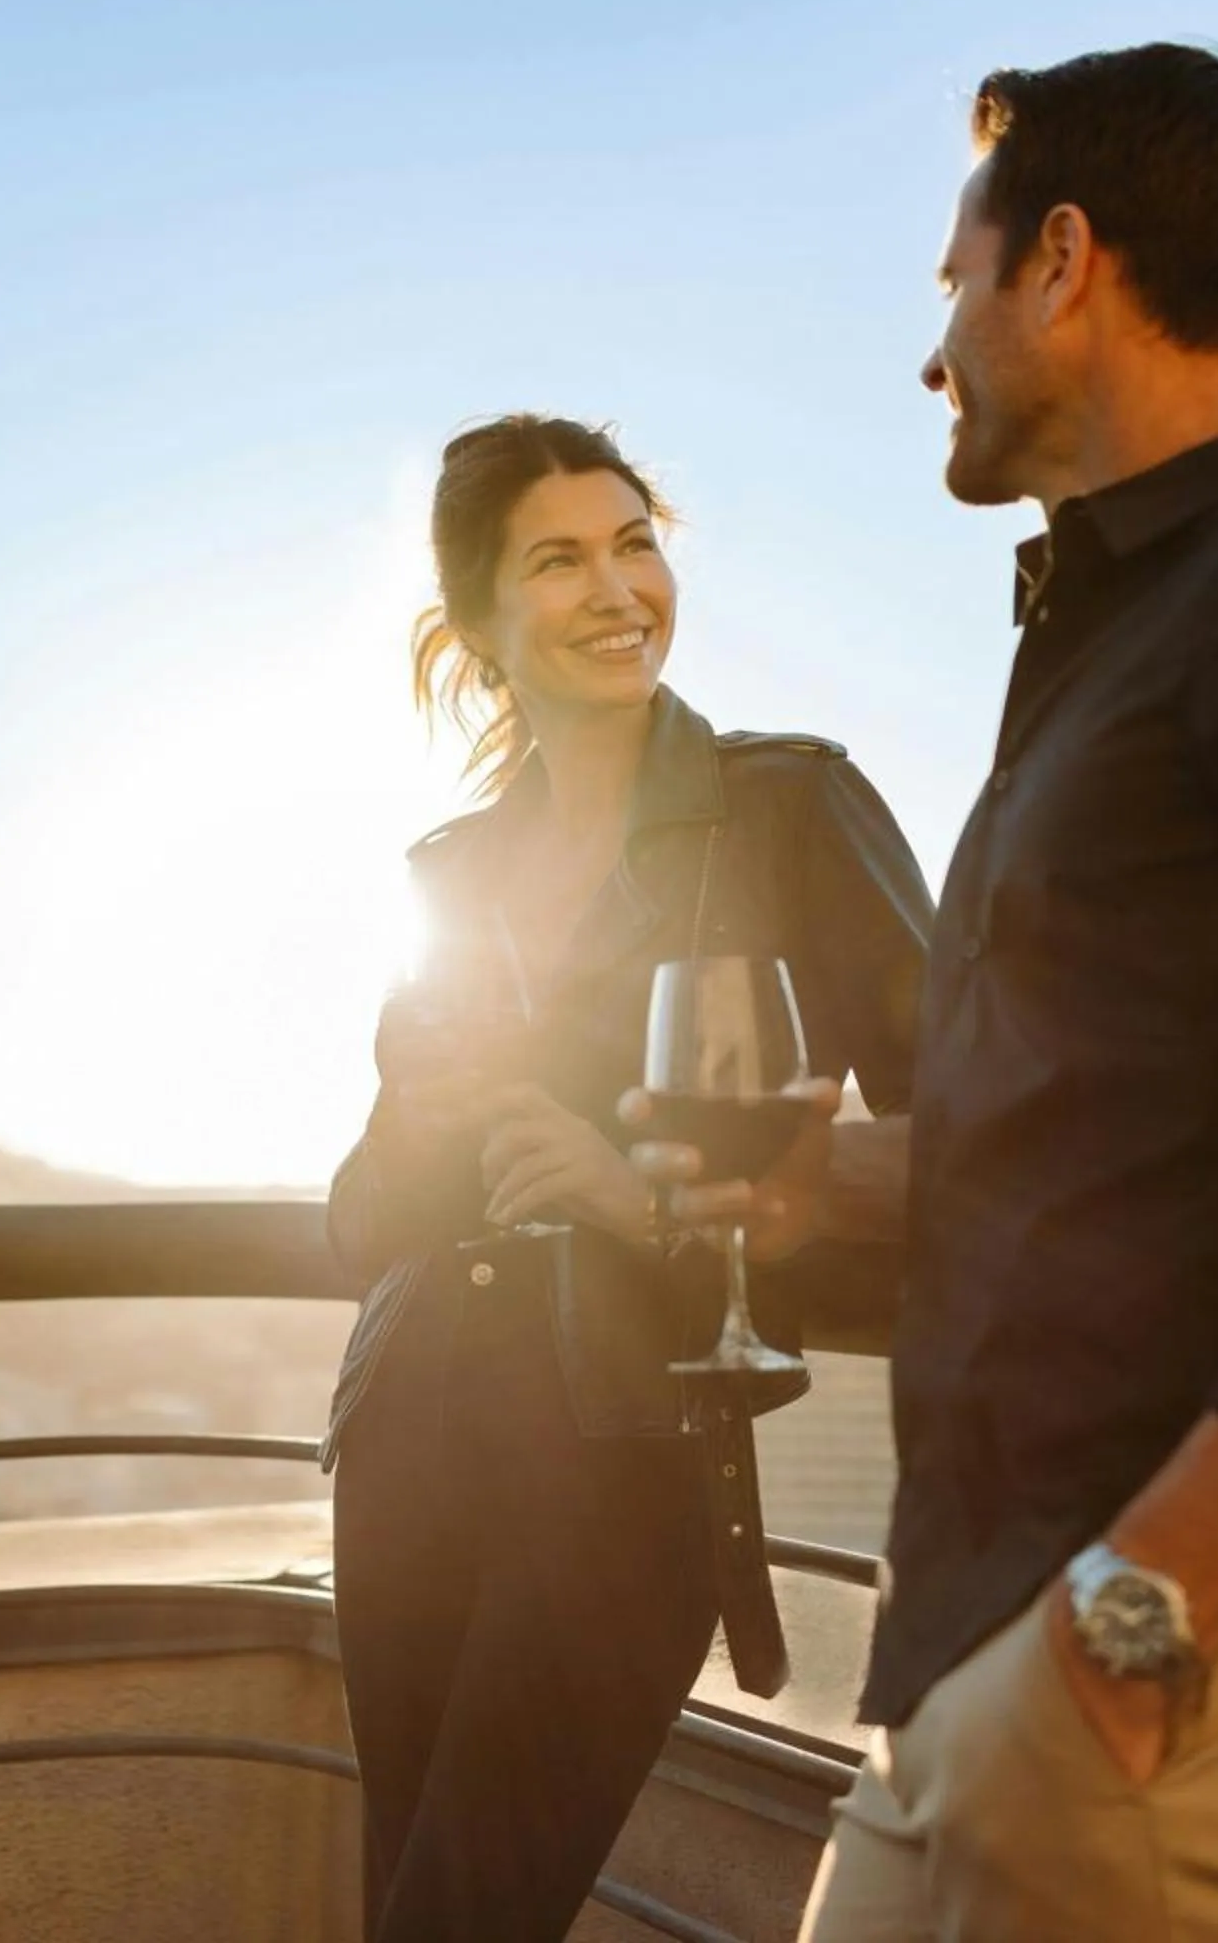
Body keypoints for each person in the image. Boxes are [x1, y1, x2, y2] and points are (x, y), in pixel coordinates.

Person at [636, 45, 1218, 1942]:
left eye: (952, 287)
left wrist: (1124, 1638)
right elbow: (1143, 1158)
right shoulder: (1117, 643)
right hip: (1001, 1661)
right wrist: (834, 1191)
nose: (933, 355)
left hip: (1191, 1681)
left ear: (1062, 261)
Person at [323, 413, 933, 1943]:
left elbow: (970, 1141)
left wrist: (638, 1194)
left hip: (623, 1455)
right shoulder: (448, 873)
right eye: (560, 559)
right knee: (410, 1895)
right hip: (405, 1438)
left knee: (455, 1920)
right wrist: (413, 1115)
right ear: (480, 623)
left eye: (635, 543)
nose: (619, 588)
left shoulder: (788, 808)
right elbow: (364, 1224)